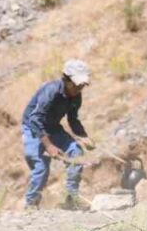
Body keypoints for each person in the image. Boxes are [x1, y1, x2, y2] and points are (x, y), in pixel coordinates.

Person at [21, 59, 96, 210]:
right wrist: (49, 146)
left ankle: (71, 198)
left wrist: (84, 137)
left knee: (76, 153)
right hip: (33, 127)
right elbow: (35, 119)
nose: (79, 88)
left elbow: (73, 119)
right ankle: (31, 204)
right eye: (76, 84)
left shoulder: (76, 96)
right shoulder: (51, 91)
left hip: (53, 127)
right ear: (66, 79)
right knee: (41, 168)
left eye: (82, 85)